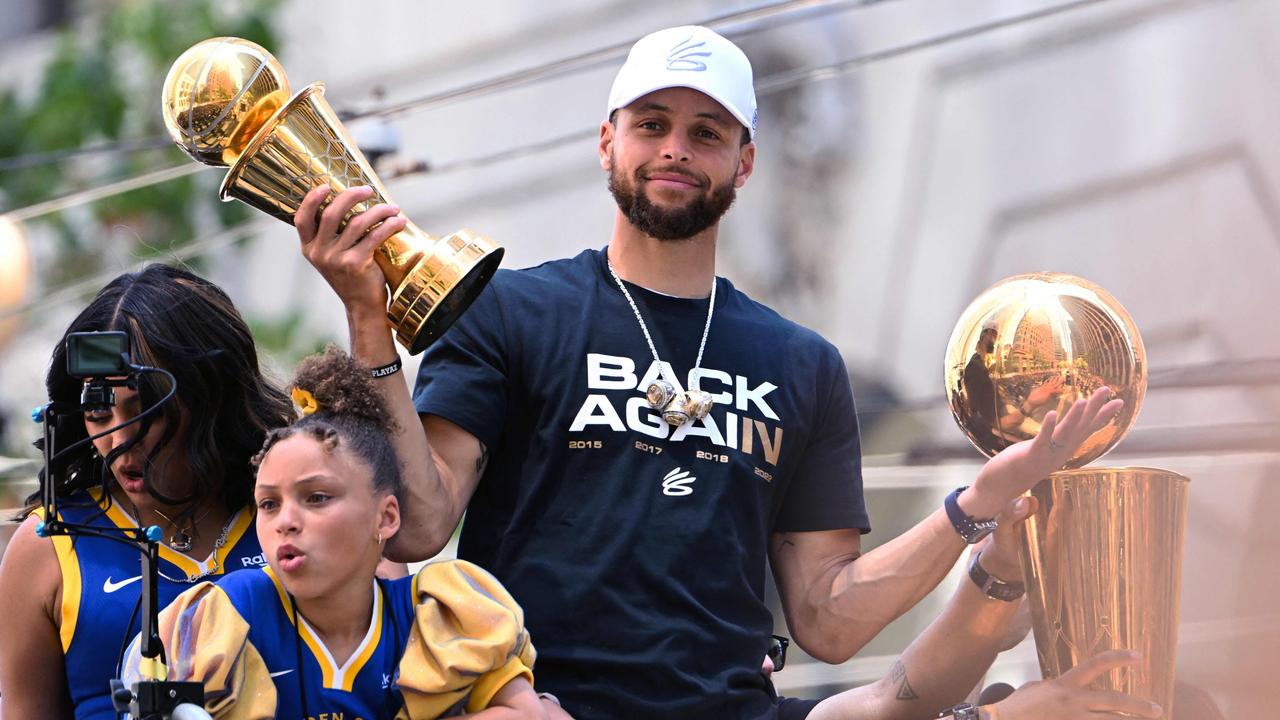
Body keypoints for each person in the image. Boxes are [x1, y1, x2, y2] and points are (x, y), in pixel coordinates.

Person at [294, 25, 1128, 719]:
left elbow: (829, 621)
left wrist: (974, 506)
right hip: (539, 706)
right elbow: (418, 525)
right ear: (606, 141)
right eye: (651, 124)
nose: (676, 150)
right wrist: (370, 321)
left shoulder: (801, 364)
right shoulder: (510, 312)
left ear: (745, 161)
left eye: (707, 132)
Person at [123, 346, 543, 719]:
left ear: (386, 518)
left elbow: (529, 714)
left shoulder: (441, 611)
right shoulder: (223, 617)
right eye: (269, 504)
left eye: (317, 497)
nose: (285, 520)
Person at [0, 264, 293, 719]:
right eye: (98, 415)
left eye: (146, 412)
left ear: (210, 397)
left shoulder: (295, 513)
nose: (119, 442)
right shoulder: (46, 550)